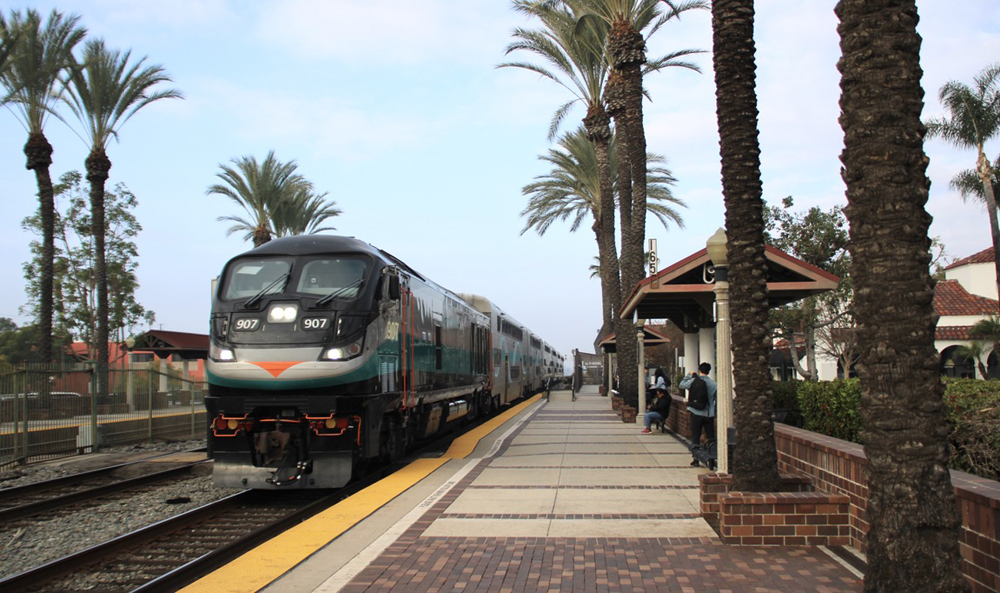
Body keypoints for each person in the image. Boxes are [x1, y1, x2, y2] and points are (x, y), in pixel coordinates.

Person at [678, 362, 718, 466]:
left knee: (696, 436)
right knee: (711, 437)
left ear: (699, 370)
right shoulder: (714, 384)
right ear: (709, 371)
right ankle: (712, 459)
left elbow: (681, 385)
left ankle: (695, 459)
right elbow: (717, 399)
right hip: (709, 414)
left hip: (696, 412)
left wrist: (690, 375)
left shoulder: (693, 381)